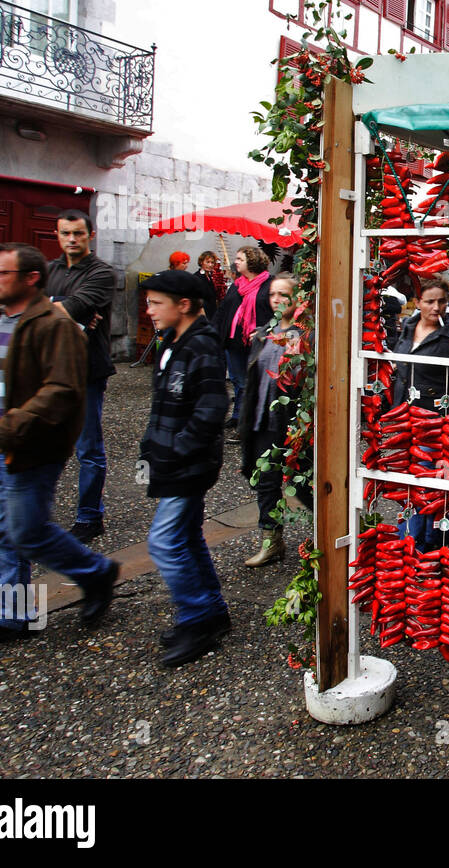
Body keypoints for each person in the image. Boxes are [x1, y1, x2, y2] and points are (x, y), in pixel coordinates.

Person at [0, 243, 119, 653]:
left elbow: (60, 392)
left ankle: (96, 572)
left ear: (30, 279)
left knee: (26, 532)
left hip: (30, 450)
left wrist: (3, 432)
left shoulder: (53, 325)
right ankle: (11, 619)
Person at [139, 270, 231, 667]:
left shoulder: (203, 347)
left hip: (187, 465)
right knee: (188, 538)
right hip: (173, 461)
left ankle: (197, 619)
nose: (149, 310)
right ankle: (210, 611)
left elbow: (213, 408)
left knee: (163, 542)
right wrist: (151, 448)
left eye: (156, 303)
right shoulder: (174, 341)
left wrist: (177, 449)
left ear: (185, 305)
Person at [45, 209, 116, 543]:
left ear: (91, 235)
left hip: (87, 368)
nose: (71, 239)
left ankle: (90, 516)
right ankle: (39, 512)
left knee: (88, 448)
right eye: (64, 233)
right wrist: (60, 308)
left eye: (77, 233)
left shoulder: (102, 272)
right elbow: (39, 308)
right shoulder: (51, 269)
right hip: (49, 368)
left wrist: (56, 307)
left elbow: (73, 308)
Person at [388, 277, 449, 553]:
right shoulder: (408, 328)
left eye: (442, 301)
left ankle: (409, 544)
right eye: (430, 301)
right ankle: (433, 539)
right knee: (417, 481)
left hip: (436, 418)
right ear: (417, 302)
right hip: (405, 416)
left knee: (421, 482)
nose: (436, 307)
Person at [239, 272, 308, 567]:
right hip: (261, 418)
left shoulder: (306, 335)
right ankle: (272, 542)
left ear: (297, 299)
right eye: (272, 295)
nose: (277, 300)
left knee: (304, 481)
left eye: (284, 295)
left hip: (290, 420)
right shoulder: (263, 333)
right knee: (266, 482)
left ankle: (332, 532)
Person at [213, 246, 273, 440]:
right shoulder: (237, 285)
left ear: (252, 261)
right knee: (239, 382)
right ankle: (238, 415)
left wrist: (263, 330)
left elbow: (276, 313)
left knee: (253, 383)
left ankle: (249, 425)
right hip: (234, 343)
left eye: (240, 259)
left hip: (258, 344)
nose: (236, 262)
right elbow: (223, 310)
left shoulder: (269, 285)